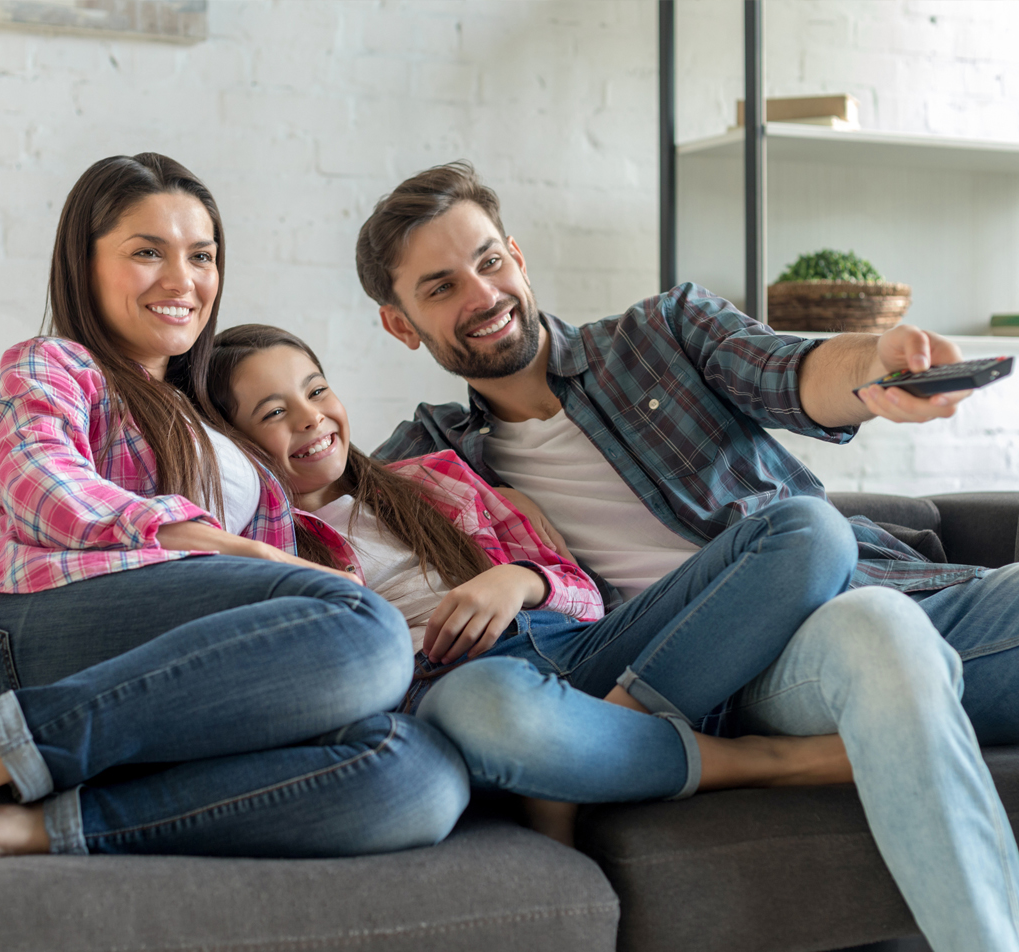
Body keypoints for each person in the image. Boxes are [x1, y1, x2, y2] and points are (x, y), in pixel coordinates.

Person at [354, 162, 1019, 952]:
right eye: (441, 287)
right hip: (754, 676)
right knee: (869, 626)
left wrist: (874, 366)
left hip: (895, 593)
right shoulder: (422, 471)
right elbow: (313, 546)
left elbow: (795, 371)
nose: (483, 295)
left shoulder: (660, 335)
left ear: (518, 258)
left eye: (489, 261)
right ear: (401, 324)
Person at [0, 153, 469, 873]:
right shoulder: (50, 365)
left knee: (418, 773)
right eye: (146, 253)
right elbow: (46, 484)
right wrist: (231, 548)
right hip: (38, 621)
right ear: (84, 262)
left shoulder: (215, 421)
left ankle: (9, 829)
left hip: (184, 677)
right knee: (363, 631)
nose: (182, 280)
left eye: (201, 256)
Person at [202, 323, 853, 832]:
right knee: (485, 702)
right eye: (273, 412)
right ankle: (767, 763)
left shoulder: (433, 481)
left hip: (570, 650)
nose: (310, 417)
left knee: (810, 531)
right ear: (234, 445)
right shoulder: (262, 548)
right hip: (455, 687)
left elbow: (585, 597)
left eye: (315, 390)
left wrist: (518, 580)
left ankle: (589, 746)